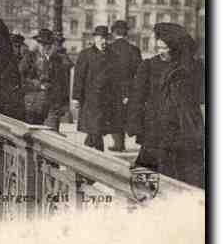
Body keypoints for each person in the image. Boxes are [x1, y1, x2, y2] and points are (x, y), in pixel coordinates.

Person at [129, 23, 204, 188]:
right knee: (146, 181)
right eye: (158, 47)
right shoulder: (148, 66)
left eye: (164, 47)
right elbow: (137, 98)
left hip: (185, 131)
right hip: (156, 130)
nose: (160, 51)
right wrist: (135, 125)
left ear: (175, 47)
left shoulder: (192, 67)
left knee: (187, 180)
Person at [19, 29, 70, 130]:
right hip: (33, 104)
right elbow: (21, 77)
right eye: (42, 44)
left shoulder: (58, 60)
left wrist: (64, 103)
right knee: (32, 134)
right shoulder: (29, 57)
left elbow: (63, 82)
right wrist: (38, 85)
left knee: (53, 135)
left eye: (48, 45)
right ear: (38, 44)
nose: (45, 47)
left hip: (52, 104)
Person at [106, 20, 142, 151]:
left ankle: (118, 143)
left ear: (113, 32)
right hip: (129, 86)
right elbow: (140, 71)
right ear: (126, 33)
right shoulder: (134, 50)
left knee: (114, 114)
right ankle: (123, 142)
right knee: (126, 114)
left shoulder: (109, 49)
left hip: (112, 87)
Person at [73, 26, 111, 151]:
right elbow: (79, 77)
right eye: (100, 38)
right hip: (90, 99)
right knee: (95, 130)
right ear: (95, 38)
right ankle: (95, 158)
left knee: (95, 131)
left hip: (106, 99)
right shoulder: (86, 54)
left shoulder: (112, 55)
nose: (103, 41)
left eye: (105, 38)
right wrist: (76, 97)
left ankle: (87, 158)